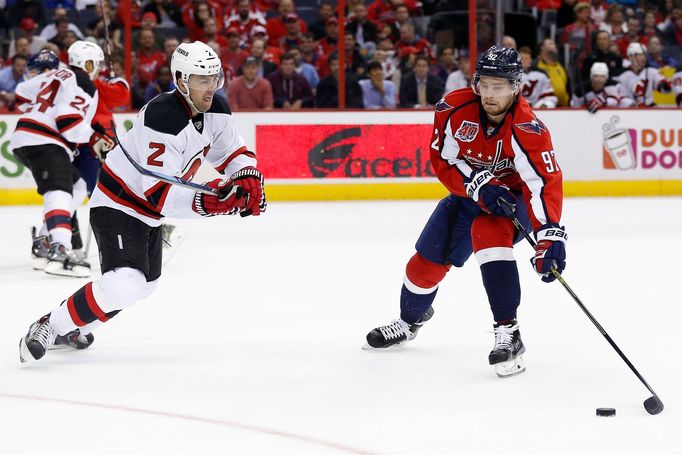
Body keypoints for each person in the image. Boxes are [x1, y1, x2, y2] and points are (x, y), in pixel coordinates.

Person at [18, 41, 267, 363]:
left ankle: (74, 325)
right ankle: (49, 325)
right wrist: (219, 203)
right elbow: (161, 197)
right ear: (181, 80)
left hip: (147, 212)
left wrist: (247, 175)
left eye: (215, 78)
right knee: (124, 283)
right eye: (202, 80)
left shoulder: (216, 108)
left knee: (143, 286)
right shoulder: (162, 117)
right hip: (119, 205)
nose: (211, 88)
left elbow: (232, 151)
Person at [364, 46, 566, 379]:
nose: (489, 94)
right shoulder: (454, 108)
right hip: (467, 195)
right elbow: (443, 160)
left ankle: (509, 332)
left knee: (488, 233)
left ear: (517, 87)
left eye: (499, 86)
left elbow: (544, 183)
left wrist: (550, 234)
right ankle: (409, 321)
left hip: (510, 202)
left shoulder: (529, 129)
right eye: (484, 84)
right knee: (422, 267)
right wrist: (476, 183)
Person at [11, 42, 102, 278]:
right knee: (59, 190)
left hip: (29, 135)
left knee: (77, 184)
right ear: (89, 63)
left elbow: (21, 94)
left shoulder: (55, 74)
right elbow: (68, 120)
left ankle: (44, 239)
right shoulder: (83, 81)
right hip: (45, 139)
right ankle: (61, 249)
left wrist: (41, 108)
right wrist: (94, 137)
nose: (97, 69)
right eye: (96, 64)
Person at [615, 42, 671, 107]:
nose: (643, 58)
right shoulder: (623, 76)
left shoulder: (651, 71)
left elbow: (664, 90)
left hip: (651, 109)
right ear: (631, 57)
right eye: (640, 55)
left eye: (644, 55)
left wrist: (665, 85)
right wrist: (633, 105)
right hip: (631, 111)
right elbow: (623, 98)